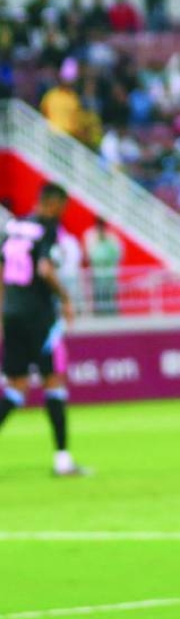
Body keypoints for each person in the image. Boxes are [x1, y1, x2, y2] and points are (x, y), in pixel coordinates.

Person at [0, 183, 92, 476]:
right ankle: (63, 460)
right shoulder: (47, 227)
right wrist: (65, 299)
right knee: (54, 381)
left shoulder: (13, 226)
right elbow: (44, 269)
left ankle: (63, 460)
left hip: (11, 312)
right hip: (38, 316)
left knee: (15, 388)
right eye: (62, 208)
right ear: (53, 204)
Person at [84, 218, 123, 315]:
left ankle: (111, 313)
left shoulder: (111, 237)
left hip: (109, 275)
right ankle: (99, 314)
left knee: (110, 297)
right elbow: (91, 256)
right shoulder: (91, 237)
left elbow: (118, 254)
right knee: (99, 297)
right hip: (97, 274)